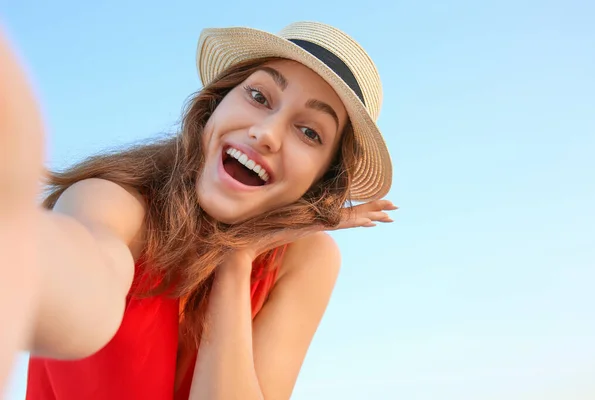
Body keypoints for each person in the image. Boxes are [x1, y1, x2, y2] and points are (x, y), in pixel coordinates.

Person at [0, 21, 396, 399]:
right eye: (259, 97)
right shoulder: (115, 202)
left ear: (322, 180)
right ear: (215, 105)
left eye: (309, 132)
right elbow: (79, 289)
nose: (267, 133)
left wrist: (238, 255)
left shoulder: (306, 259)